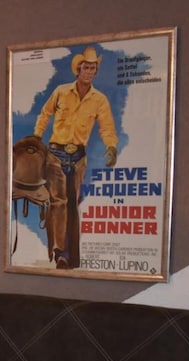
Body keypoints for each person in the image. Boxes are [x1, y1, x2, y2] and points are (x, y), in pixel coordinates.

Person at [33, 45, 118, 269]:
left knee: (73, 204)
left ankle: (71, 255)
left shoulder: (99, 100)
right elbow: (45, 114)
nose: (89, 72)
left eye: (93, 68)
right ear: (78, 70)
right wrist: (36, 137)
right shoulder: (61, 92)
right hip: (55, 155)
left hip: (78, 158)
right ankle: (60, 253)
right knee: (59, 202)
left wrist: (111, 146)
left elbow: (107, 126)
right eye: (86, 67)